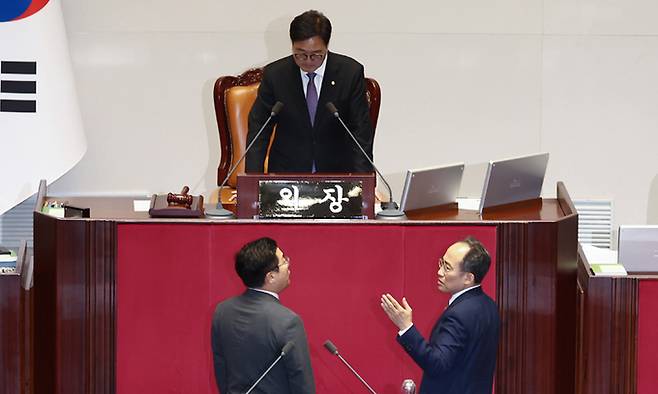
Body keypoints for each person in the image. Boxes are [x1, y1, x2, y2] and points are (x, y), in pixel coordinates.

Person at [245, 10, 373, 174]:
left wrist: (363, 183)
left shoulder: (349, 73)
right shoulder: (275, 75)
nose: (307, 61)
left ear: (326, 46)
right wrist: (253, 180)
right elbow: (259, 130)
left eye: (315, 55)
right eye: (300, 54)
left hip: (337, 174)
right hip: (287, 175)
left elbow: (360, 132)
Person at [380, 237, 500, 394]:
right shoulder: (489, 306)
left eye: (448, 268)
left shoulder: (458, 315)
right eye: (442, 263)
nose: (439, 272)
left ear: (468, 278)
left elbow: (437, 364)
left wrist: (406, 327)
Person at [211, 237, 315, 394]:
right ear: (271, 277)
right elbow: (302, 384)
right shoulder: (288, 321)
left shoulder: (222, 311)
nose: (288, 264)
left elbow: (221, 369)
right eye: (283, 261)